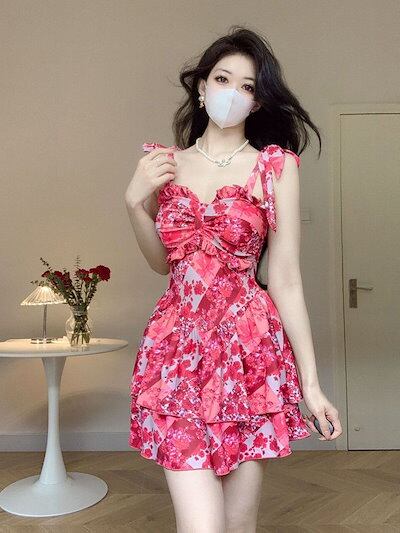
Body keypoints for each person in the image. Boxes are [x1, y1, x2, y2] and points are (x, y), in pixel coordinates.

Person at [125, 26, 342, 533]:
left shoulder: (274, 168)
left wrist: (311, 384)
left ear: (258, 101)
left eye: (247, 86)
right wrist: (134, 203)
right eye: (223, 79)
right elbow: (162, 263)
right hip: (177, 351)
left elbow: (285, 279)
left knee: (238, 526)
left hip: (249, 353)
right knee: (203, 526)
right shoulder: (164, 165)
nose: (232, 93)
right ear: (202, 87)